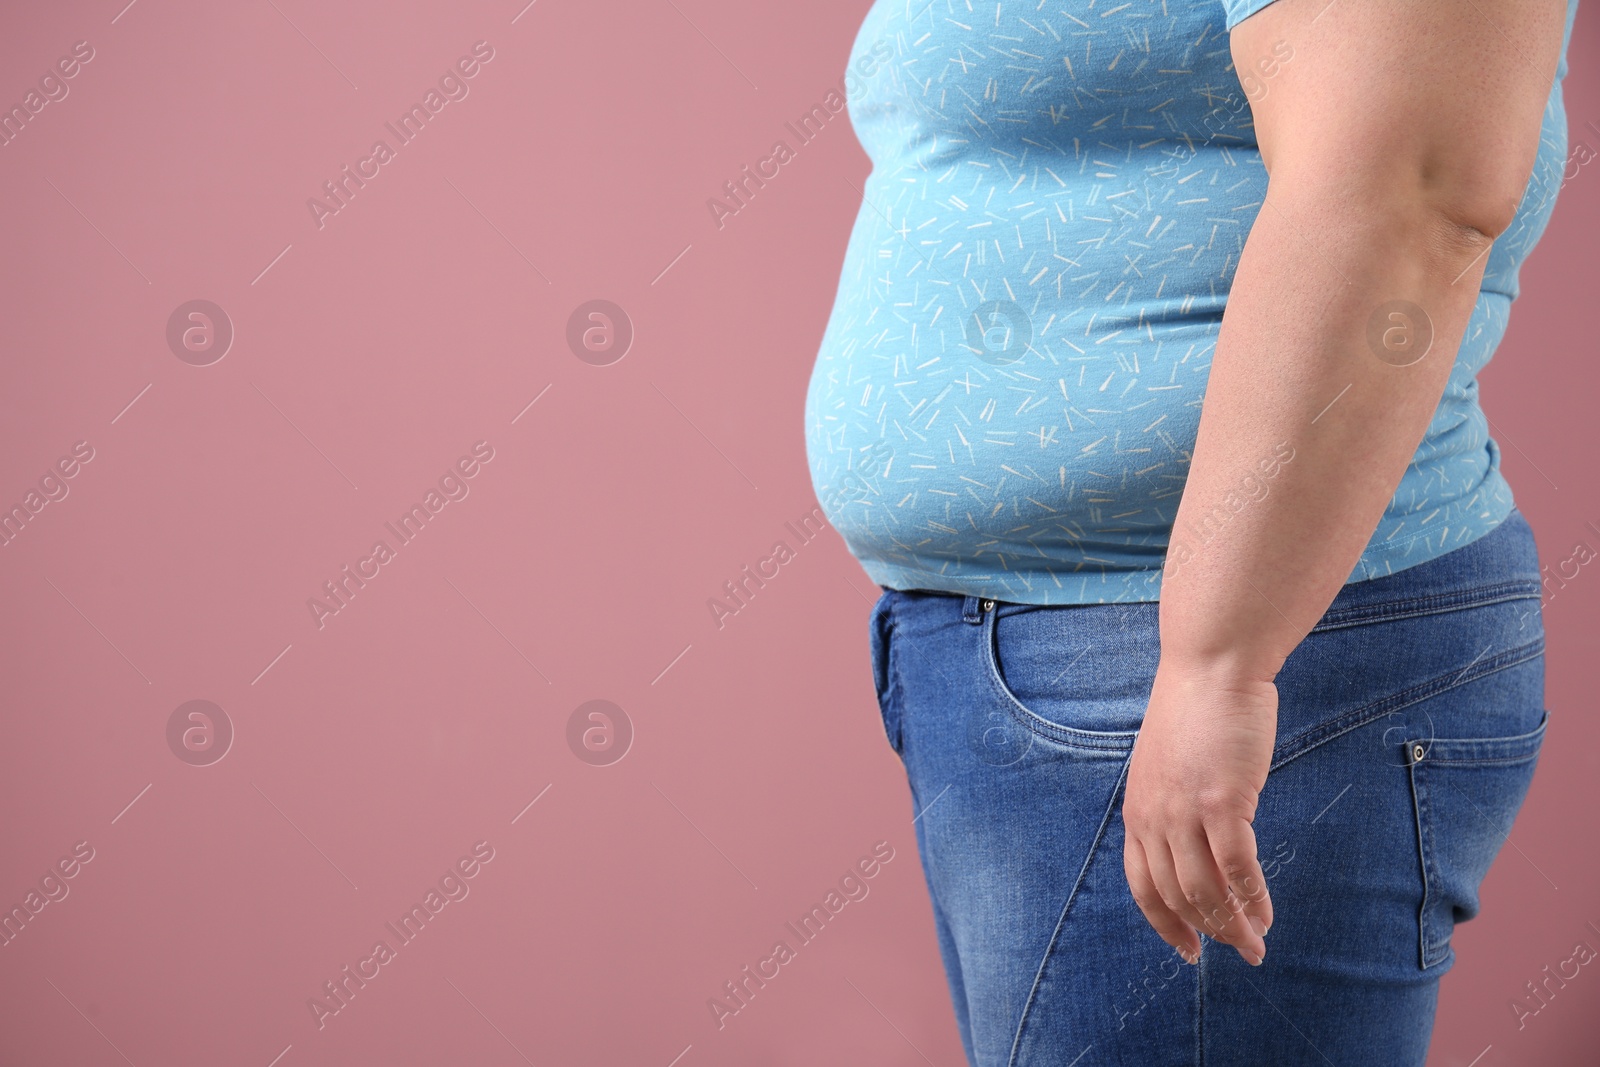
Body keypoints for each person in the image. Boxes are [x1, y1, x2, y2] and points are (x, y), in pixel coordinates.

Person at [802, 0, 1579, 1062]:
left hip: (1226, 639)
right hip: (1058, 652)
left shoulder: (1217, 655)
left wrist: (1221, 660)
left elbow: (1410, 187)